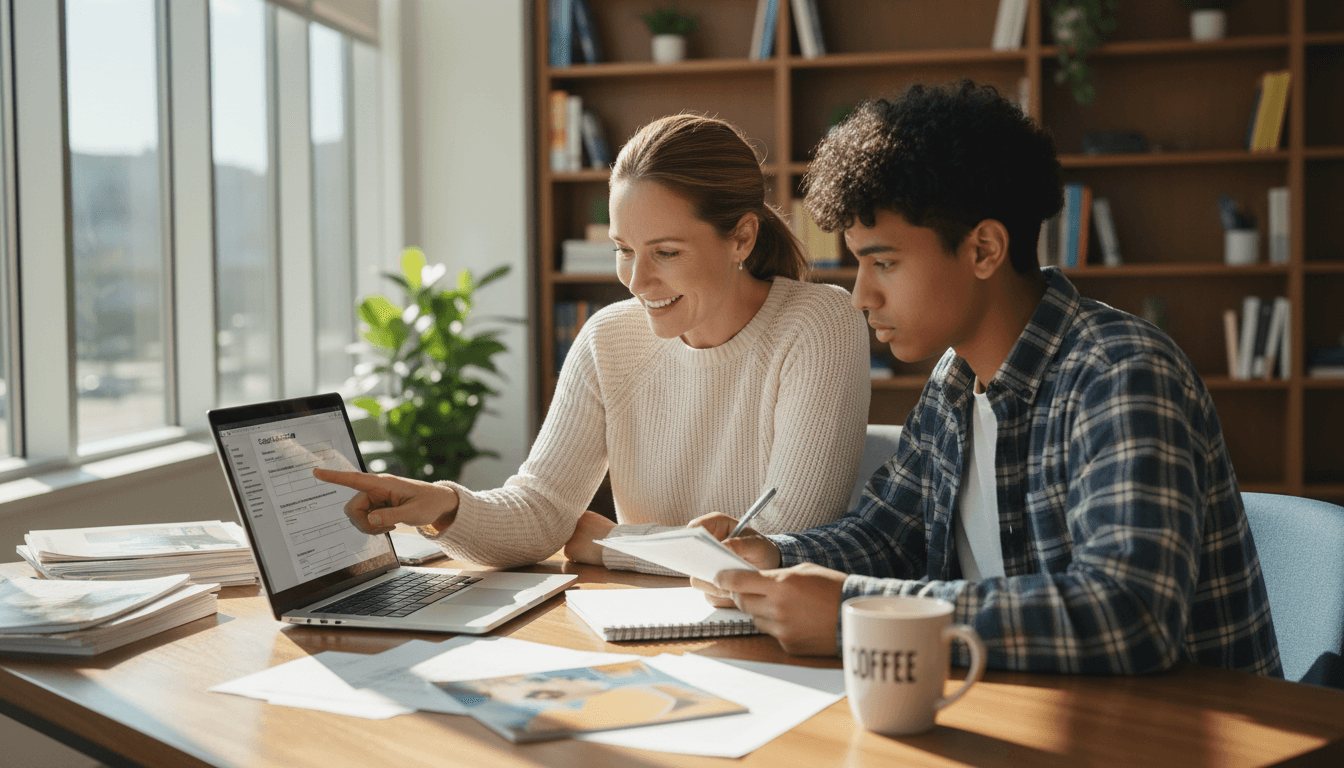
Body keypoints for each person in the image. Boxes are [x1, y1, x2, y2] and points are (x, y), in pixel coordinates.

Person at [690, 81, 1282, 677]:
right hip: (1031, 714)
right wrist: (772, 555)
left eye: (884, 263)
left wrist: (856, 613)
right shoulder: (955, 380)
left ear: (984, 250)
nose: (861, 297)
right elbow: (890, 534)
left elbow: (1126, 614)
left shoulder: (1120, 375)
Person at [314, 114, 870, 572]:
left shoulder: (820, 324)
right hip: (640, 628)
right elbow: (542, 511)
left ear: (741, 236)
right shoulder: (609, 337)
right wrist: (446, 505)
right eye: (623, 249)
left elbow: (782, 545)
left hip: (772, 643)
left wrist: (613, 544)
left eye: (667, 252)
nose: (636, 280)